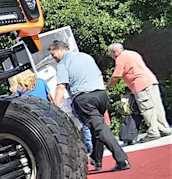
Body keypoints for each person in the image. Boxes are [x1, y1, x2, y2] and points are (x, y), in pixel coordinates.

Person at [50, 40, 130, 172]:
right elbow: (99, 75)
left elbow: (61, 87)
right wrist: (102, 90)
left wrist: (54, 108)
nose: (53, 58)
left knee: (100, 129)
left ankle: (121, 159)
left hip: (84, 98)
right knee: (96, 127)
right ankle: (96, 159)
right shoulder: (85, 56)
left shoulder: (63, 63)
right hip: (100, 95)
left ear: (60, 49)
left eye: (53, 54)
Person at [106, 43, 171, 142]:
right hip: (151, 81)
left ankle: (153, 132)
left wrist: (107, 86)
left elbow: (116, 76)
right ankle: (164, 129)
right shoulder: (133, 53)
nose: (112, 57)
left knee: (147, 109)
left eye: (111, 54)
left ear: (114, 52)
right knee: (157, 107)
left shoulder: (120, 58)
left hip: (140, 85)